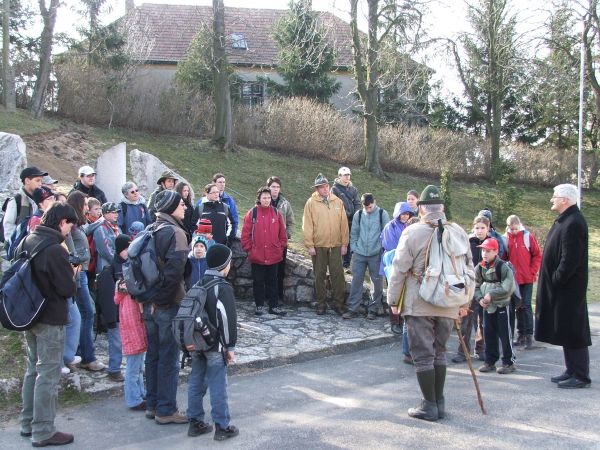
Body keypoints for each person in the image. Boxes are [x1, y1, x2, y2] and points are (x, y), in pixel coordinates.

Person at [386, 185, 473, 422]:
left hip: (420, 302)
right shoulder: (459, 232)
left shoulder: (412, 232)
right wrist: (465, 301)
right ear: (442, 207)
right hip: (449, 302)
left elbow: (399, 268)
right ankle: (439, 402)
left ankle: (429, 405)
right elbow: (469, 270)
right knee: (440, 351)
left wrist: (393, 300)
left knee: (423, 354)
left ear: (422, 208)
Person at [19, 202, 78, 446]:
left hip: (29, 314)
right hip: (50, 318)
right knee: (49, 373)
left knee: (33, 369)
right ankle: (43, 430)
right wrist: (73, 272)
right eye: (70, 225)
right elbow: (66, 288)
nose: (70, 231)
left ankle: (28, 422)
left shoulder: (28, 240)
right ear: (62, 222)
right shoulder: (55, 250)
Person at [536, 184, 592, 389]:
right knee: (567, 329)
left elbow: (570, 259)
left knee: (574, 330)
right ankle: (571, 369)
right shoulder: (567, 219)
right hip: (563, 288)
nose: (552, 199)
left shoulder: (574, 222)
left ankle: (580, 374)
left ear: (565, 200)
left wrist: (558, 278)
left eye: (555, 196)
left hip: (569, 288)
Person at [144, 190, 190, 424]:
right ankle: (166, 409)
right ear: (171, 207)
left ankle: (152, 404)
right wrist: (161, 302)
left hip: (149, 302)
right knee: (169, 357)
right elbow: (174, 273)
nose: (185, 207)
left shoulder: (151, 228)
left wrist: (152, 301)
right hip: (167, 305)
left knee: (153, 355)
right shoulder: (176, 232)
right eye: (181, 204)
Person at [186, 243, 239, 441]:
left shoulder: (198, 283)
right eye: (229, 262)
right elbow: (227, 320)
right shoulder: (222, 287)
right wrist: (230, 346)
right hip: (215, 344)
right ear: (224, 265)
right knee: (218, 383)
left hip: (197, 342)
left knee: (196, 380)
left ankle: (195, 422)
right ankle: (222, 426)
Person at [65, 191, 105, 372]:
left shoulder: (79, 225)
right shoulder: (70, 226)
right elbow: (72, 253)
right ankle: (86, 356)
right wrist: (81, 260)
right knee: (87, 312)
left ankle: (81, 352)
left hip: (82, 272)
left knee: (85, 313)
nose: (88, 208)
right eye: (85, 204)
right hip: (78, 272)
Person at [302, 173, 349, 315]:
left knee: (338, 275)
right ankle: (321, 304)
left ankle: (339, 304)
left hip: (335, 245)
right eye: (321, 187)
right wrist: (310, 245)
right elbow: (307, 225)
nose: (324, 189)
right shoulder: (311, 203)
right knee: (319, 275)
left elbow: (344, 224)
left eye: (326, 186)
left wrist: (344, 244)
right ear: (316, 189)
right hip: (319, 246)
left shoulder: (338, 202)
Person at [241, 187, 288, 316]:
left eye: (268, 198)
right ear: (259, 199)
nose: (267, 200)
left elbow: (282, 234)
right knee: (258, 282)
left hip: (274, 255)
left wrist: (280, 247)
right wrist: (250, 250)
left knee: (273, 281)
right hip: (257, 256)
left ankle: (274, 306)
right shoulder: (252, 213)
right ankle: (259, 306)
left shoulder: (276, 213)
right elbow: (245, 235)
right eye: (264, 198)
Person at [114, 234, 147, 410]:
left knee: (139, 364)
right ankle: (133, 399)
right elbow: (117, 297)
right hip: (132, 325)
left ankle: (141, 393)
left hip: (136, 325)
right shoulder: (125, 279)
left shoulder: (126, 277)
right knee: (134, 366)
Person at [343, 193, 389, 320]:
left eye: (370, 206)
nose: (368, 209)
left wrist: (381, 249)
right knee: (356, 281)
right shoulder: (358, 215)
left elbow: (386, 233)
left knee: (377, 282)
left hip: (376, 254)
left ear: (375, 202)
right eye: (366, 207)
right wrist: (354, 248)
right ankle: (352, 309)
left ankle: (373, 309)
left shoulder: (382, 214)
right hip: (359, 253)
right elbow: (354, 233)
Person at [475, 238, 517, 374]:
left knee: (505, 334)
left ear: (496, 251)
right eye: (483, 250)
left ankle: (509, 363)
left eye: (488, 251)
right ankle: (490, 362)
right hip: (487, 307)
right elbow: (475, 285)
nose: (484, 254)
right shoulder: (480, 267)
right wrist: (480, 298)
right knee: (488, 334)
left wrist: (491, 294)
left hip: (502, 305)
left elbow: (508, 287)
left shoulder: (503, 267)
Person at [451, 215, 489, 364]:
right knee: (466, 319)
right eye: (477, 228)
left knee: (483, 321)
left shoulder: (492, 243)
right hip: (469, 285)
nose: (479, 231)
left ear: (488, 228)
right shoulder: (467, 242)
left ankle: (481, 349)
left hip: (486, 287)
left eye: (483, 228)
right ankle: (463, 351)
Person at [380, 201, 414, 359]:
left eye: (408, 214)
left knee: (405, 294)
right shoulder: (390, 227)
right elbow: (389, 244)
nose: (405, 216)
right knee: (393, 293)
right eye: (403, 213)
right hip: (393, 264)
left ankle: (403, 320)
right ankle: (395, 322)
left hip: (407, 267)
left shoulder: (411, 227)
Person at [504, 215, 542, 349]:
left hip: (527, 278)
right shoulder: (506, 238)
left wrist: (532, 271)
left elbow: (537, 255)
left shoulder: (527, 236)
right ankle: (520, 335)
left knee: (525, 305)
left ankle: (529, 336)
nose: (514, 231)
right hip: (513, 279)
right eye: (511, 229)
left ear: (519, 225)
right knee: (517, 307)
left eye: (515, 228)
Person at [96, 234, 129, 382]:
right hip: (116, 314)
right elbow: (107, 297)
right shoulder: (110, 269)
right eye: (127, 248)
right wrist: (110, 318)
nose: (129, 251)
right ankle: (114, 369)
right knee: (116, 342)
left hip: (128, 312)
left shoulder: (130, 264)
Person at [267, 176, 294, 302]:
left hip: (280, 243)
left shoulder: (285, 204)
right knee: (266, 270)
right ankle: (266, 295)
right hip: (265, 242)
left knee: (279, 270)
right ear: (268, 188)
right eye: (273, 187)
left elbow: (291, 222)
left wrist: (286, 236)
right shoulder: (262, 201)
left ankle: (278, 295)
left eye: (277, 187)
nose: (275, 189)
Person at [3, 166, 46, 242]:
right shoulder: (16, 200)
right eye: (37, 180)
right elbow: (8, 226)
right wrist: (14, 244)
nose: (40, 184)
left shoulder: (41, 200)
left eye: (41, 181)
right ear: (27, 181)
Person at [332, 166, 360, 269]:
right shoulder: (334, 189)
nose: (347, 177)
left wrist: (356, 215)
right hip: (339, 220)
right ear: (340, 176)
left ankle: (346, 264)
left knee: (349, 241)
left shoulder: (353, 189)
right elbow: (333, 204)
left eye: (348, 175)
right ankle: (336, 263)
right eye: (345, 175)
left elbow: (357, 203)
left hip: (352, 220)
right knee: (339, 240)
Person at [208, 173, 239, 241]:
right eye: (220, 182)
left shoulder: (229, 201)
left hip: (224, 239)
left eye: (223, 182)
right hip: (207, 238)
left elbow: (234, 220)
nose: (222, 184)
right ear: (213, 183)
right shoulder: (205, 199)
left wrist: (230, 238)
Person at [93, 203, 121, 274]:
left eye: (117, 212)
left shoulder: (116, 227)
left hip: (116, 267)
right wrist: (119, 263)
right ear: (105, 214)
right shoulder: (101, 229)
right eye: (114, 212)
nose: (116, 214)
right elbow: (106, 252)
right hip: (105, 269)